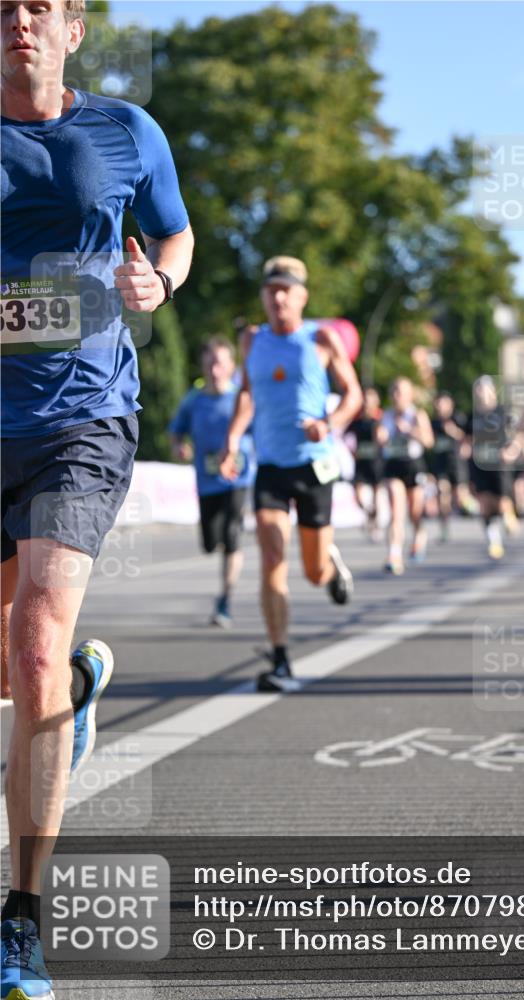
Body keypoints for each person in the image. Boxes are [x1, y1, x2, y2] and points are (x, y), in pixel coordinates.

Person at [1, 2, 193, 996]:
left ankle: (21, 919)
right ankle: (71, 690)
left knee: (30, 642)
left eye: (38, 6)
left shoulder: (125, 131)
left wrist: (158, 283)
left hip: (83, 417)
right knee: (17, 671)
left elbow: (176, 234)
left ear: (72, 28)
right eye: (3, 8)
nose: (17, 22)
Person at [220, 256, 361, 692]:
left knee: (313, 572)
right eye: (271, 290)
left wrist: (331, 424)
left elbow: (354, 394)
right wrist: (232, 439)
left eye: (286, 289)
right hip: (272, 468)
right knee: (272, 557)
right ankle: (280, 658)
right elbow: (247, 394)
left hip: (314, 465)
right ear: (264, 296)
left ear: (302, 296)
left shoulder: (321, 339)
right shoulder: (251, 340)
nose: (278, 297)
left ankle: (332, 569)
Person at [169, 338, 254, 628]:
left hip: (238, 479)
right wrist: (180, 447)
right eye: (209, 364)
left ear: (231, 366)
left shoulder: (241, 398)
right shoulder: (194, 399)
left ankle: (225, 599)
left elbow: (259, 430)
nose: (215, 370)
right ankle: (224, 572)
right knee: (209, 542)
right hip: (207, 482)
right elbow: (176, 431)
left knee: (232, 535)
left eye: (220, 363)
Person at [377, 377, 434, 574]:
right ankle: (394, 554)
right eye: (394, 392)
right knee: (396, 510)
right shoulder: (386, 415)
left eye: (400, 392)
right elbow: (380, 439)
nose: (396, 396)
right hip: (394, 464)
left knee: (414, 511)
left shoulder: (417, 415)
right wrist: (382, 437)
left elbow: (428, 441)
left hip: (413, 465)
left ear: (409, 395)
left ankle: (420, 533)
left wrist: (410, 431)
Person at [462, 376, 516, 560]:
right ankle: (494, 541)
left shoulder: (503, 412)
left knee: (501, 503)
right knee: (484, 505)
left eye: (484, 389)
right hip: (479, 464)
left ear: (492, 392)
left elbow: (515, 435)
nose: (480, 393)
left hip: (499, 464)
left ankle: (509, 517)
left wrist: (511, 449)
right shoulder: (472, 416)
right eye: (478, 389)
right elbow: (468, 439)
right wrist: (466, 448)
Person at [427, 391, 466, 542]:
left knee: (460, 498)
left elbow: (466, 437)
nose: (440, 406)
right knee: (442, 494)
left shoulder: (458, 418)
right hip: (440, 464)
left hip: (456, 463)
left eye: (443, 402)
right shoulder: (433, 422)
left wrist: (453, 431)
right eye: (438, 403)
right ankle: (444, 527)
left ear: (450, 404)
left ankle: (483, 511)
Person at [348, 386, 384, 541]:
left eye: (371, 399)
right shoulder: (357, 420)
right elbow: (344, 437)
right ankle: (368, 512)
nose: (367, 402)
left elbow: (385, 439)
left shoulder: (380, 419)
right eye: (365, 399)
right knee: (357, 494)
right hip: (361, 461)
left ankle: (375, 524)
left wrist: (381, 438)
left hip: (375, 462)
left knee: (376, 494)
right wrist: (352, 451)